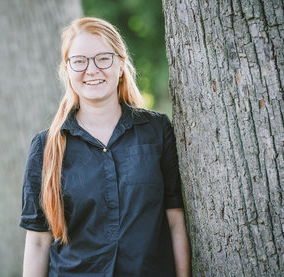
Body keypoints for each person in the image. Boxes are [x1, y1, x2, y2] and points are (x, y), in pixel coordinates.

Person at [20, 17, 190, 277]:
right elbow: (38, 241)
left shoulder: (156, 131)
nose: (92, 70)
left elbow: (175, 221)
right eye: (79, 61)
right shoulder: (46, 146)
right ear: (66, 70)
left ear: (121, 64)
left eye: (103, 58)